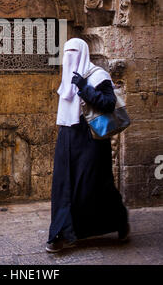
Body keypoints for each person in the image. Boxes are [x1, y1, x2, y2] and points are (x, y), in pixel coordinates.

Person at [46, 37, 130, 253]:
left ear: (83, 52)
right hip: (67, 135)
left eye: (74, 51)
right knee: (64, 185)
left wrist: (84, 87)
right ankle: (61, 233)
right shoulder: (67, 78)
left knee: (95, 184)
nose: (70, 56)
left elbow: (109, 103)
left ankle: (119, 222)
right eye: (67, 52)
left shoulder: (98, 75)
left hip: (91, 138)